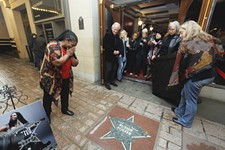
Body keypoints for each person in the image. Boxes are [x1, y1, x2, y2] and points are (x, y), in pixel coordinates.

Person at [168, 20, 217, 128]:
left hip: (199, 76)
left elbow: (194, 64)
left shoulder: (196, 43)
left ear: (189, 31)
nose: (180, 35)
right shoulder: (201, 40)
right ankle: (179, 112)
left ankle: (186, 121)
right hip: (200, 75)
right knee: (184, 93)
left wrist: (184, 74)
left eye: (181, 33)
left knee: (190, 99)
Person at [40, 30, 79, 121]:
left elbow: (75, 63)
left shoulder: (69, 49)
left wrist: (71, 54)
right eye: (72, 45)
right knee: (48, 97)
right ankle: (47, 115)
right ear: (67, 40)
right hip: (51, 79)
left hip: (65, 76)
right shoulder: (53, 46)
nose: (73, 47)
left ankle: (64, 109)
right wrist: (68, 54)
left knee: (65, 94)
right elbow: (57, 62)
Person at [103, 22, 121, 90]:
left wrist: (118, 51)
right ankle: (106, 82)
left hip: (115, 56)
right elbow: (105, 45)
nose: (115, 31)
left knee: (114, 69)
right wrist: (113, 51)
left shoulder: (117, 36)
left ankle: (112, 81)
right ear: (112, 28)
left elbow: (119, 45)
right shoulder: (107, 34)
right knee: (108, 70)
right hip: (109, 56)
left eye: (117, 30)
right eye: (114, 29)